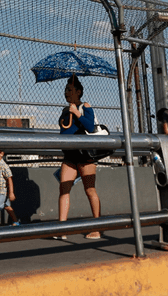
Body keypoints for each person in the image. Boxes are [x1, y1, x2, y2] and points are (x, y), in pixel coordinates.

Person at [57, 75, 102, 239]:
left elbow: (90, 127)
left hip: (85, 156)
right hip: (69, 156)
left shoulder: (85, 106)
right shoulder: (64, 111)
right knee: (64, 189)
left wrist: (77, 113)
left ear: (79, 92)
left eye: (69, 90)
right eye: (65, 90)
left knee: (90, 190)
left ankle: (97, 227)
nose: (66, 93)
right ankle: (62, 228)